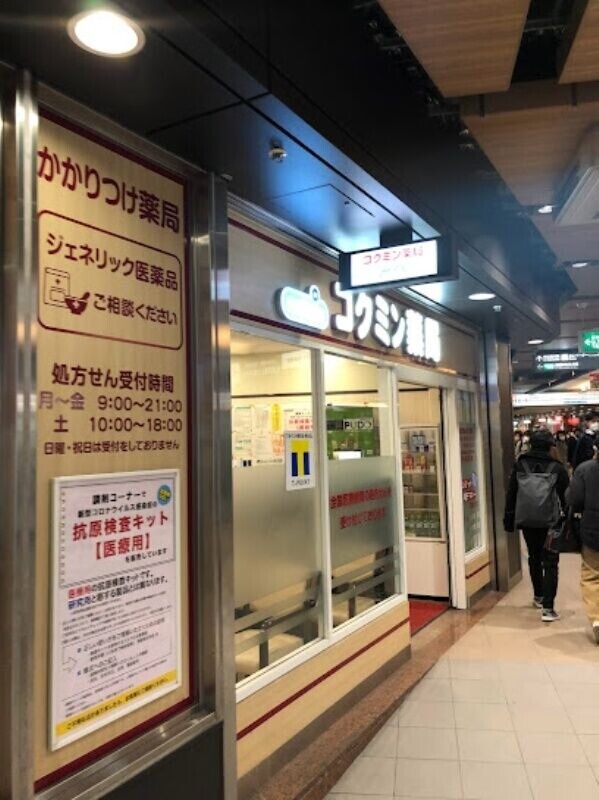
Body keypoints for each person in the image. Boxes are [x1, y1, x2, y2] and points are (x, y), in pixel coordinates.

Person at [504, 429, 569, 621]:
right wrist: (567, 521)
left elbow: (511, 493)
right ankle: (548, 609)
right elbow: (567, 497)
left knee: (534, 557)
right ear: (550, 446)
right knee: (550, 561)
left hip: (527, 520)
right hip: (550, 522)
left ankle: (538, 596)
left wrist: (509, 519)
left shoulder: (520, 464)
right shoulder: (557, 468)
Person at [568, 452, 599, 643]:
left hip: (593, 531)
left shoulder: (584, 469)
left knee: (592, 575)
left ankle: (597, 620)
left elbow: (575, 501)